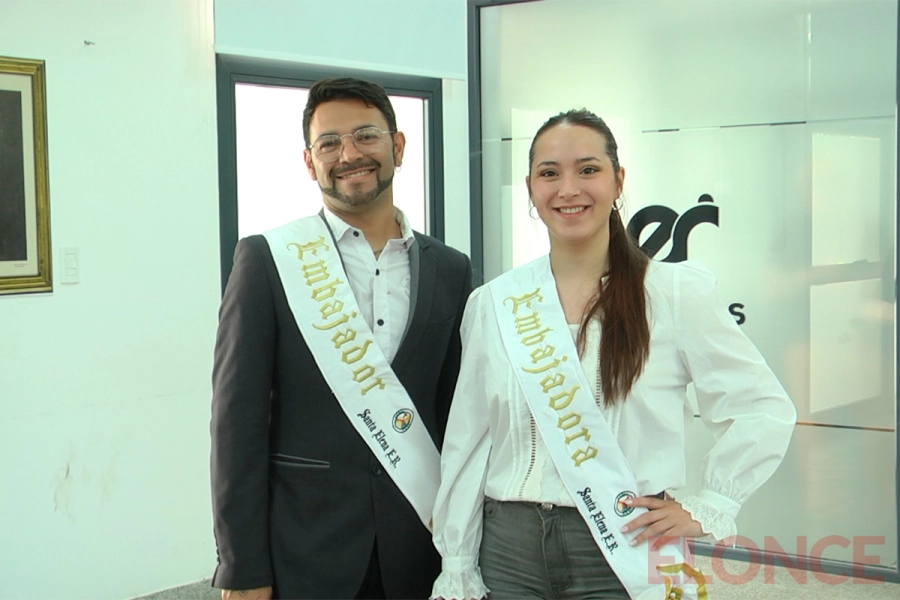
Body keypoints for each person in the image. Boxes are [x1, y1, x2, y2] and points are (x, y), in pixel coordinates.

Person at [430, 109, 796, 600]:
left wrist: (710, 503)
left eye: (588, 169)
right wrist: (456, 554)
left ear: (618, 180)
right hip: (506, 545)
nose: (568, 189)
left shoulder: (673, 294)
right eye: (549, 173)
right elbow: (468, 440)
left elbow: (762, 407)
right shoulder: (494, 303)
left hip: (626, 539)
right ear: (531, 188)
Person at [210, 77, 473, 600]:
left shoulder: (452, 269)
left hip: (420, 545)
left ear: (398, 146)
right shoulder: (268, 261)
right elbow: (236, 424)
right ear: (310, 163)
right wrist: (241, 568)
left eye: (366, 136)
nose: (349, 154)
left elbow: (459, 418)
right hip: (306, 547)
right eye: (329, 143)